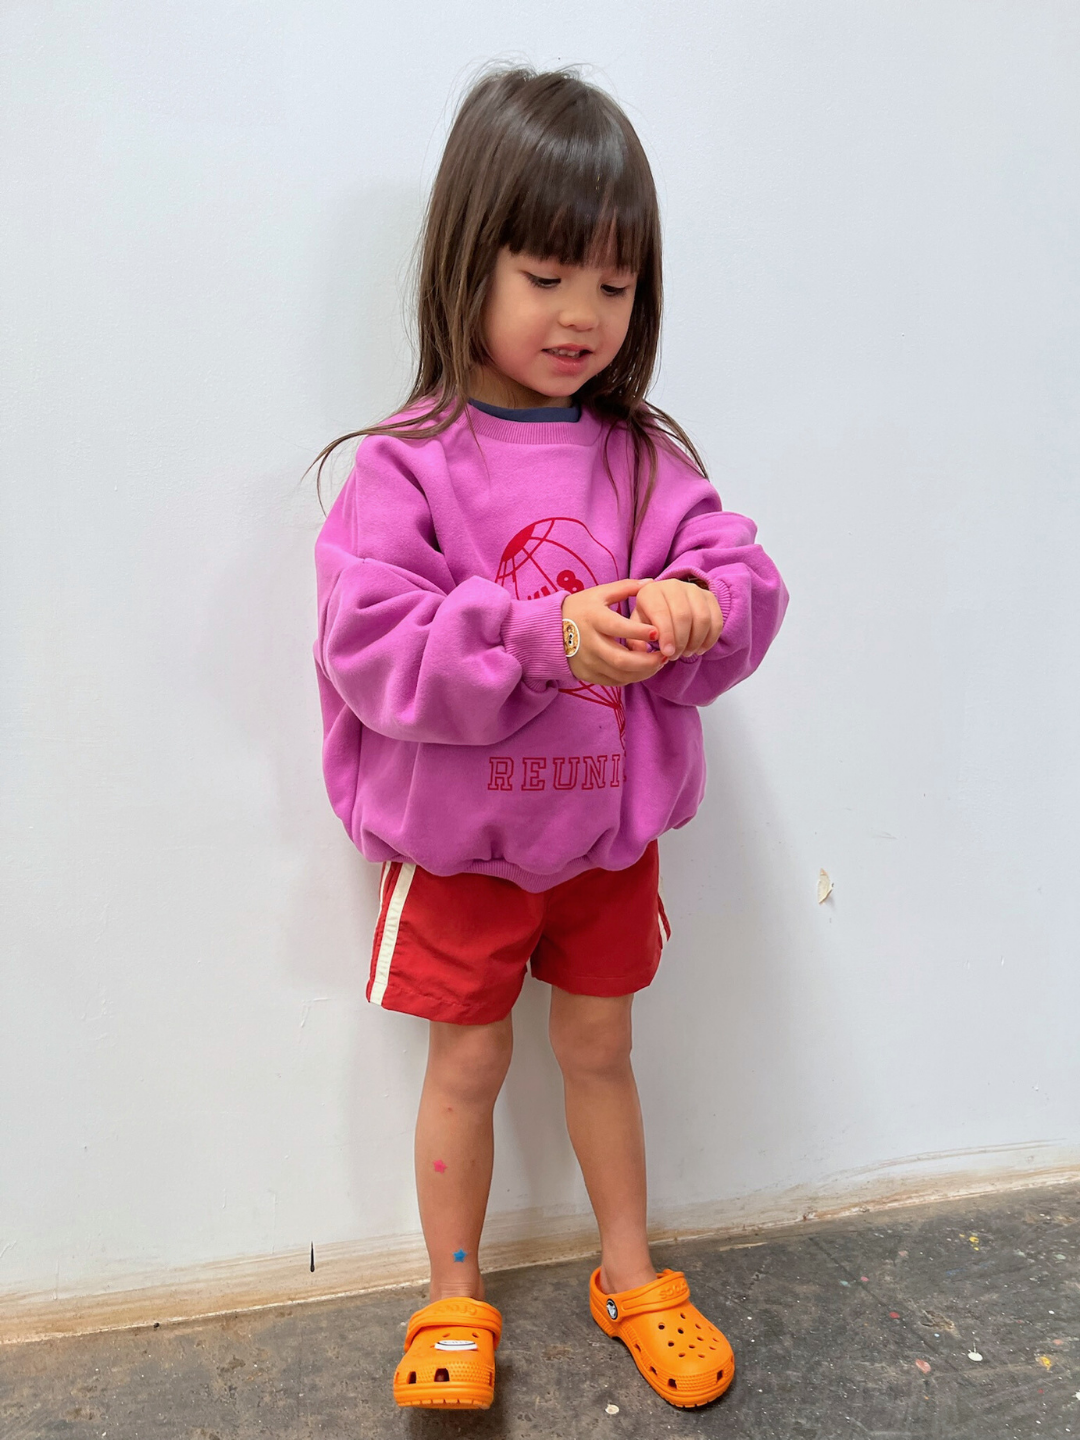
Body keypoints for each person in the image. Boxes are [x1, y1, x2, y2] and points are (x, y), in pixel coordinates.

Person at [311, 64, 788, 1412]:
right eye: (547, 275)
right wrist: (539, 639)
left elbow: (745, 579)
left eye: (617, 285)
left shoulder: (645, 461)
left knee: (602, 1052)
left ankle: (626, 1270)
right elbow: (371, 647)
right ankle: (453, 1297)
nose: (584, 315)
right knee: (466, 1061)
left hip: (602, 845)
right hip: (461, 851)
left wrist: (704, 609)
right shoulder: (409, 465)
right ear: (469, 264)